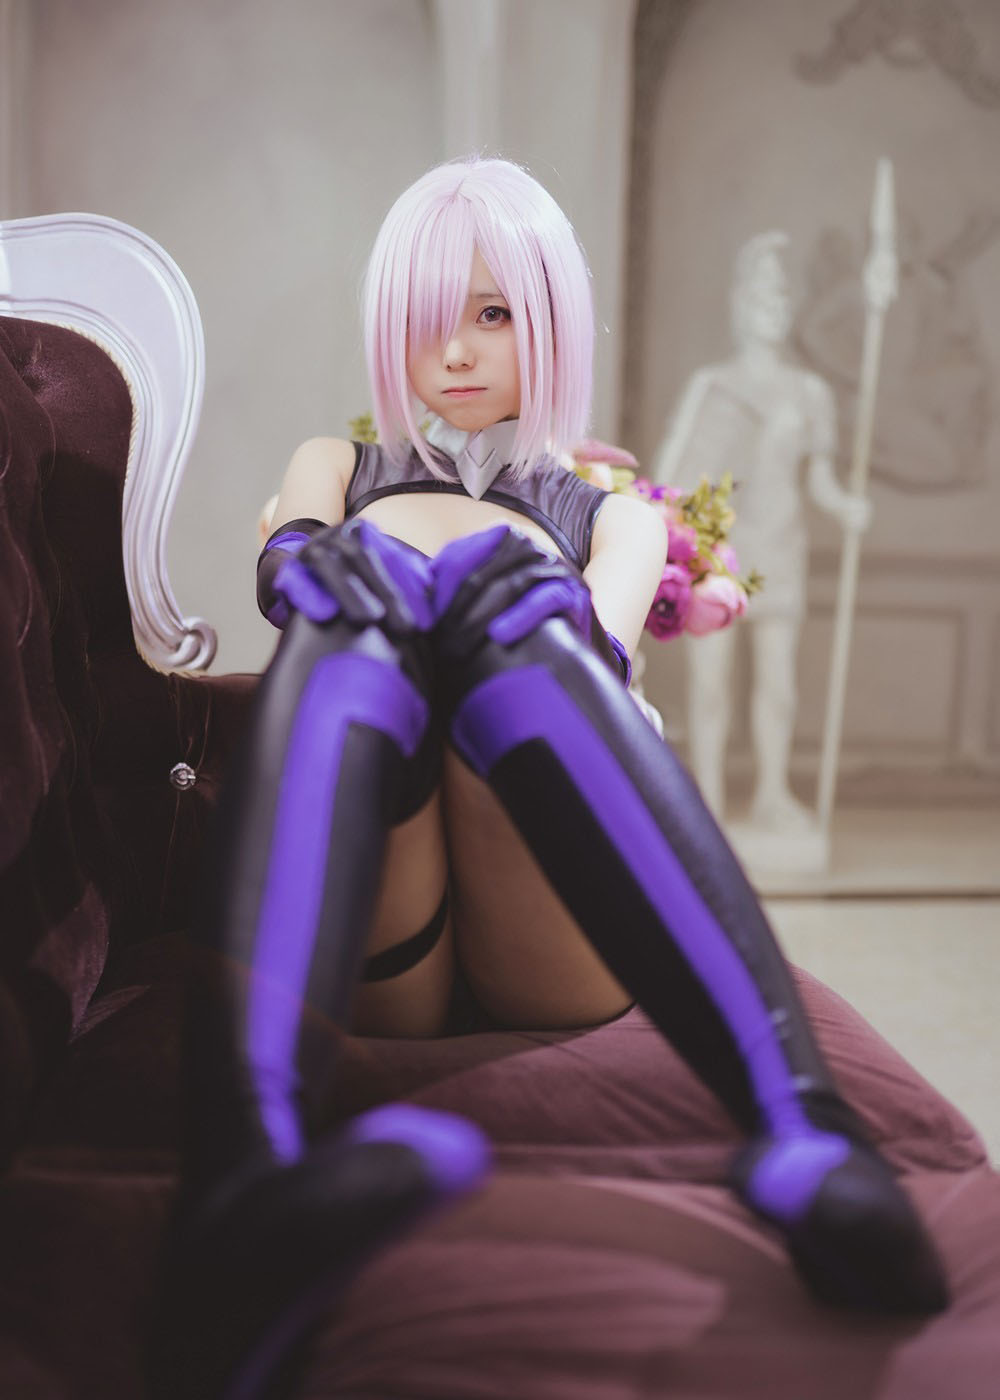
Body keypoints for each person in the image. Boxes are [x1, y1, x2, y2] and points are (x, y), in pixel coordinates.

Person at [153, 159, 947, 1400]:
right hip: (390, 917)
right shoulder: (333, 464)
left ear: (551, 319)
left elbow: (603, 655)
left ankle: (806, 1131)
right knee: (348, 612)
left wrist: (514, 604)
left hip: (550, 917)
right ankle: (245, 1177)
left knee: (520, 620)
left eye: (493, 312)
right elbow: (288, 555)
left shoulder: (613, 517)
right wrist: (319, 571)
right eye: (428, 315)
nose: (455, 349)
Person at [654, 232, 871, 828]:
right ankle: (708, 800)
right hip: (715, 547)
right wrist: (660, 515)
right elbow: (670, 467)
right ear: (739, 304)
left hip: (779, 544)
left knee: (778, 684)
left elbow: (820, 481)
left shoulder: (810, 393)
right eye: (759, 295)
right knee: (712, 682)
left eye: (779, 296)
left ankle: (772, 793)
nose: (770, 307)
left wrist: (847, 507)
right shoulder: (711, 384)